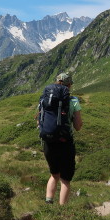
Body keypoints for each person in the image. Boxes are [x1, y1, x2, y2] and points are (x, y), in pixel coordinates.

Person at [41, 72, 82, 205]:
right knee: (65, 179)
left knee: (54, 175)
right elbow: (77, 126)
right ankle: (62, 211)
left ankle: (48, 205)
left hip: (48, 142)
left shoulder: (45, 99)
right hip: (65, 142)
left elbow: (39, 122)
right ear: (69, 85)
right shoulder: (73, 101)